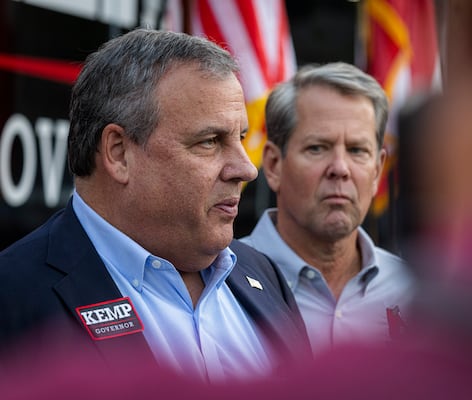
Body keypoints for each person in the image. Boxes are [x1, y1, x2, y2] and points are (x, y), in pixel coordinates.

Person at [0, 28, 310, 382]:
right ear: (118, 153)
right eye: (210, 142)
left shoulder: (262, 274)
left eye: (239, 138)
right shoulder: (13, 296)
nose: (246, 169)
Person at [240, 62, 415, 354]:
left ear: (377, 170)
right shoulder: (221, 286)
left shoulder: (414, 292)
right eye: (317, 148)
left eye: (357, 150)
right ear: (273, 165)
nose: (340, 169)